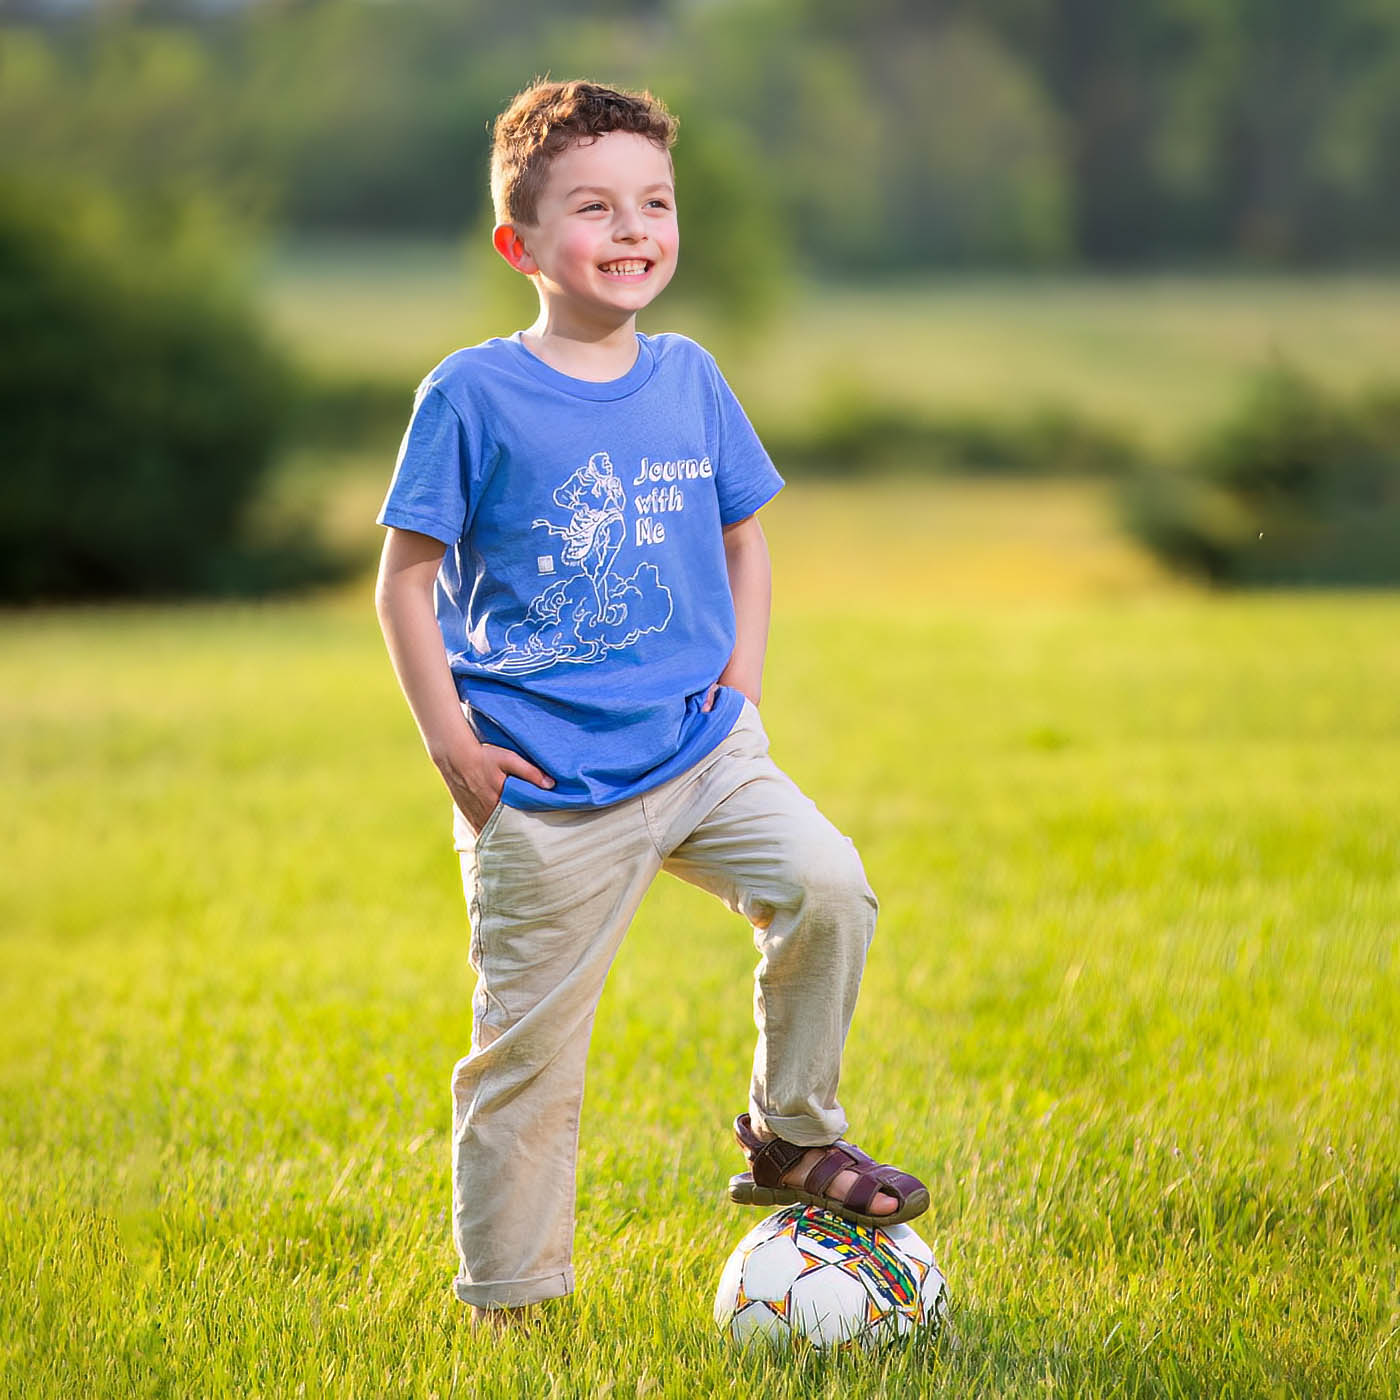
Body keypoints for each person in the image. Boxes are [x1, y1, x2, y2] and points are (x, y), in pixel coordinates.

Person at [373, 78, 928, 1326]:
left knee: (827, 882)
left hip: (699, 744)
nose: (632, 230)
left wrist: (741, 681)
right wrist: (450, 742)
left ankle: (790, 1137)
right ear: (519, 243)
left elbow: (747, 538)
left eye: (654, 204)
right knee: (526, 1062)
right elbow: (403, 579)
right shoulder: (470, 394)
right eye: (593, 208)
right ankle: (514, 1308)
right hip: (546, 786)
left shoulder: (687, 375)